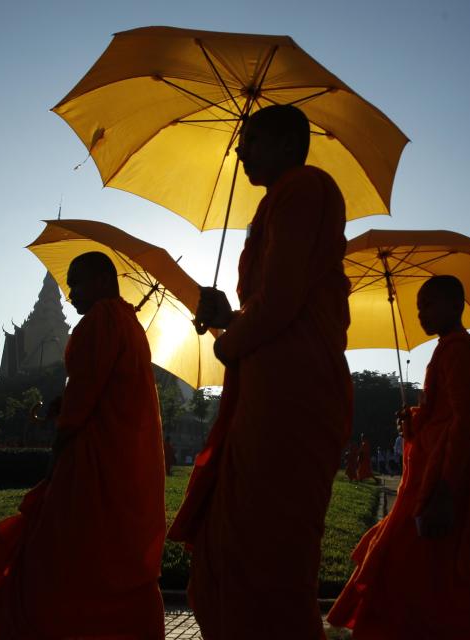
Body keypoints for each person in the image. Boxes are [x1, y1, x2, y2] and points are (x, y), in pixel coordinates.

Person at [167, 104, 353, 640]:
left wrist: (231, 343)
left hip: (291, 388)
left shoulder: (304, 188)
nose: (240, 151)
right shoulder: (276, 202)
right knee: (236, 535)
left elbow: (283, 301)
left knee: (269, 545)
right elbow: (272, 300)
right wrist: (230, 317)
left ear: (285, 144)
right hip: (268, 378)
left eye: (249, 140)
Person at [0, 251, 166, 639]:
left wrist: (58, 450)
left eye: (77, 283)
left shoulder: (99, 322)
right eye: (67, 286)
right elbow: (102, 388)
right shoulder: (128, 324)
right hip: (126, 467)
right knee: (116, 564)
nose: (71, 294)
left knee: (65, 562)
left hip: (93, 464)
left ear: (104, 281)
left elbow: (82, 404)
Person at [327, 275, 470, 639]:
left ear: (455, 305)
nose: (421, 314)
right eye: (418, 308)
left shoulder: (460, 349)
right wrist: (414, 420)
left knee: (430, 560)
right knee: (425, 561)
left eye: (428, 305)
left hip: (448, 472)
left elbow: (464, 419)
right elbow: (444, 415)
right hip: (437, 465)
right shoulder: (448, 348)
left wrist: (446, 487)